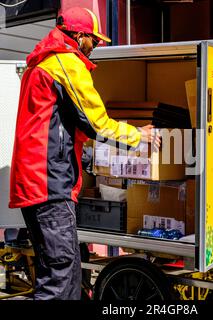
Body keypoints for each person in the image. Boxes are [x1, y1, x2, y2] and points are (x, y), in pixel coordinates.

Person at [9, 7, 160, 300]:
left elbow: (64, 125)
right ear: (79, 37)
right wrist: (138, 135)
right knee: (60, 274)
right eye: (94, 40)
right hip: (49, 186)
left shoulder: (42, 64)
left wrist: (92, 158)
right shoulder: (65, 62)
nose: (95, 47)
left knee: (66, 274)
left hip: (41, 182)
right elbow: (95, 122)